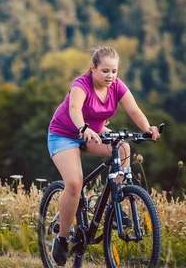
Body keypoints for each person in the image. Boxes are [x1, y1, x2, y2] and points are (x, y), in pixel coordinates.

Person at [47, 46, 161, 266]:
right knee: (74, 183)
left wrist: (147, 128)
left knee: (124, 148)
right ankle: (62, 239)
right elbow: (74, 109)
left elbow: (134, 111)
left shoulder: (117, 87)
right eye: (105, 71)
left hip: (95, 134)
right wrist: (83, 128)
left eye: (114, 71)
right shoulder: (81, 85)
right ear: (93, 69)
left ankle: (112, 207)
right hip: (65, 135)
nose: (110, 76)